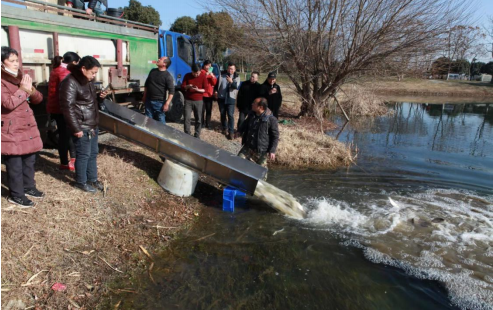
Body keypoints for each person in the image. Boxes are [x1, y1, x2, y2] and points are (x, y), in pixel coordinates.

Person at [1, 46, 45, 207]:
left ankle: (29, 187)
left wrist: (31, 91)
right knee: (15, 165)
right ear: (1, 63)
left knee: (29, 160)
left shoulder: (20, 77)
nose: (15, 64)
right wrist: (23, 90)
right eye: (11, 61)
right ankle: (17, 195)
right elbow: (7, 103)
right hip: (11, 129)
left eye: (16, 60)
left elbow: (38, 99)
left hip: (26, 126)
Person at [59, 56, 108, 193]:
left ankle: (92, 179)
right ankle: (81, 181)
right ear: (83, 68)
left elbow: (89, 102)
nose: (94, 75)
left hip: (92, 125)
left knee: (92, 153)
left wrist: (100, 98)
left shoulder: (87, 81)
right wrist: (76, 128)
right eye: (92, 72)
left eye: (95, 73)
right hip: (82, 126)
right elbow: (67, 108)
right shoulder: (70, 82)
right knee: (83, 155)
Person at [47, 51, 81, 171]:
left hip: (55, 108)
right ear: (73, 62)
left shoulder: (55, 69)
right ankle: (71, 161)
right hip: (63, 109)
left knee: (63, 135)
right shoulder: (65, 73)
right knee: (69, 135)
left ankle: (64, 162)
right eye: (78, 63)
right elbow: (67, 93)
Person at [237, 97, 279, 176]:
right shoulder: (251, 114)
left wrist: (272, 150)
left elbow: (275, 136)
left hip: (261, 150)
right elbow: (245, 124)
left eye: (254, 103)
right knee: (238, 162)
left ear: (261, 107)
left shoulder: (271, 119)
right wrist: (239, 131)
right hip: (248, 146)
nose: (252, 104)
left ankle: (259, 187)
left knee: (261, 174)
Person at [142, 56, 174, 125]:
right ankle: (150, 135)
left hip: (159, 103)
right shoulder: (153, 71)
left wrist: (167, 104)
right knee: (148, 121)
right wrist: (144, 96)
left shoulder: (167, 76)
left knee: (161, 121)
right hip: (148, 100)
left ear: (164, 64)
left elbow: (171, 92)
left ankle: (162, 135)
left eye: (161, 59)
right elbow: (147, 84)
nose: (158, 59)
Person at [181, 63, 207, 139]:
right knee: (187, 117)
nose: (196, 74)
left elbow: (205, 89)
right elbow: (183, 87)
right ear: (191, 71)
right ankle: (187, 133)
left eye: (197, 73)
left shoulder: (203, 76)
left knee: (198, 118)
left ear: (200, 71)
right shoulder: (187, 76)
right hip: (188, 100)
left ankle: (197, 134)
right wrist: (188, 86)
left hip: (198, 100)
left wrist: (198, 90)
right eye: (194, 73)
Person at [215, 62, 240, 140]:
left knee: (230, 115)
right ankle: (224, 128)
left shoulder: (236, 77)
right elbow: (216, 84)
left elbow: (236, 86)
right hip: (221, 98)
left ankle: (231, 131)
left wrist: (231, 81)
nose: (230, 70)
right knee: (222, 114)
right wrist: (215, 91)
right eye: (229, 68)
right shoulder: (222, 75)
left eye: (232, 69)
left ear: (234, 69)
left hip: (230, 98)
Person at [200, 60, 217, 129]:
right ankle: (201, 123)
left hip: (209, 94)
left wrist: (212, 76)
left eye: (210, 66)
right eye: (207, 65)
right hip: (202, 93)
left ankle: (208, 123)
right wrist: (207, 75)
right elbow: (201, 79)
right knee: (202, 110)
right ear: (204, 65)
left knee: (209, 110)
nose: (208, 67)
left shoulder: (211, 73)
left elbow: (214, 83)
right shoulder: (201, 72)